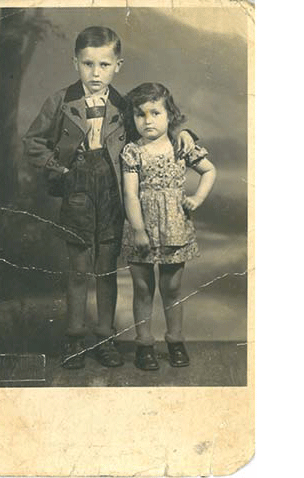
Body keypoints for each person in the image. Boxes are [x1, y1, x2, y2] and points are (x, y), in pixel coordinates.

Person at [23, 27, 196, 369]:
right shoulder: (60, 101)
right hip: (77, 192)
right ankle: (74, 339)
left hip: (113, 193)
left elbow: (155, 123)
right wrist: (61, 171)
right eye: (88, 64)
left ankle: (105, 338)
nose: (96, 73)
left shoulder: (123, 105)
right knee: (77, 271)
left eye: (104, 64)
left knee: (106, 270)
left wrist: (184, 131)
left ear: (118, 65)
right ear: (75, 63)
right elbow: (33, 143)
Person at [121, 82, 216, 371]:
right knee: (142, 287)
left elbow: (209, 170)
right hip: (143, 226)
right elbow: (129, 193)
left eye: (155, 113)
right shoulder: (131, 151)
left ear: (169, 115)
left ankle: (175, 341)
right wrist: (138, 229)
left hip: (175, 227)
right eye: (140, 115)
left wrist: (197, 198)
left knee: (172, 287)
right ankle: (144, 344)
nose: (147, 121)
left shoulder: (180, 145)